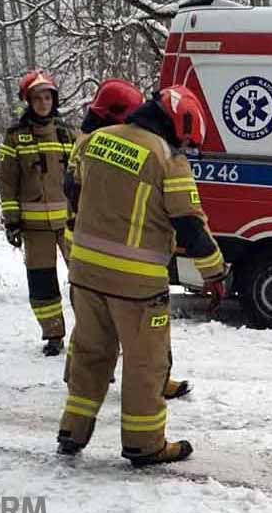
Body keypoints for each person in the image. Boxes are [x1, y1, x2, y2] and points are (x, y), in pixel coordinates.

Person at [57, 85, 227, 466]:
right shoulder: (167, 159)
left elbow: (72, 192)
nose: (185, 148)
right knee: (145, 364)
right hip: (136, 287)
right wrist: (215, 273)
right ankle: (144, 443)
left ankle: (72, 430)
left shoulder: (94, 141)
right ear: (179, 125)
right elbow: (191, 227)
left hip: (84, 273)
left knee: (90, 353)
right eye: (187, 141)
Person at [62, 79, 193, 400]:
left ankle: (88, 375)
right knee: (119, 323)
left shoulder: (100, 140)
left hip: (94, 244)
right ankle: (84, 376)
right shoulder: (94, 143)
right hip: (104, 244)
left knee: (96, 320)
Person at [0, 71, 75, 356]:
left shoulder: (67, 133)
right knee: (42, 283)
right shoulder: (15, 137)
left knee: (86, 279)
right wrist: (12, 222)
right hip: (34, 227)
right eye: (38, 98)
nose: (43, 103)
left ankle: (94, 333)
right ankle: (53, 335)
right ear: (28, 102)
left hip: (69, 223)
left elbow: (82, 175)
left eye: (48, 97)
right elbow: (7, 182)